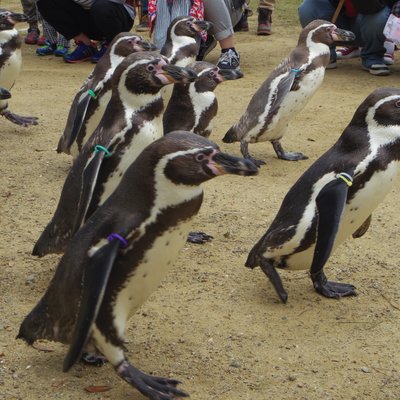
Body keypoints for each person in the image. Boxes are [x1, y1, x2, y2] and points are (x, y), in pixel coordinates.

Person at [298, 0, 395, 76]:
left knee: (378, 17)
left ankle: (372, 56)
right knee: (309, 6)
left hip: (369, 24)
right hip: (339, 25)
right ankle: (325, 54)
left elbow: (372, 6)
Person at [150, 0, 243, 70]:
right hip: (197, 21)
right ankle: (200, 43)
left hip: (227, 9)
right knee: (164, 59)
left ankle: (229, 52)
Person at [36, 0, 135, 63]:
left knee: (101, 6)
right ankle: (84, 43)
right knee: (45, 2)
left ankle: (111, 45)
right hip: (90, 15)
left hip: (119, 17)